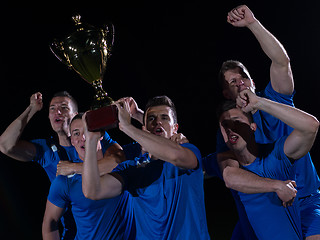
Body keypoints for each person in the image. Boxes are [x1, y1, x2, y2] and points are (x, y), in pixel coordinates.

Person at [203, 5, 320, 239]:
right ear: (227, 95)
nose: (240, 84)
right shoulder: (230, 128)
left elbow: (281, 62)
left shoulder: (275, 99)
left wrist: (252, 23)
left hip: (306, 199)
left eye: (243, 77)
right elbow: (228, 173)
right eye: (232, 82)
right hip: (267, 203)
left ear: (253, 81)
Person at [82, 95, 211, 240]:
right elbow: (93, 191)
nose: (157, 122)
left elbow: (175, 156)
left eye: (164, 118)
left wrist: (127, 127)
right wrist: (91, 141)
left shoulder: (189, 151)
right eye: (151, 119)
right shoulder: (132, 168)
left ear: (175, 128)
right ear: (144, 128)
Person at [0, 91, 124, 239]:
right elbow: (5, 145)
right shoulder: (47, 150)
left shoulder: (95, 136)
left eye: (64, 107)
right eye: (52, 108)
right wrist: (32, 109)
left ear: (76, 114)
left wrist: (74, 168)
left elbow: (119, 160)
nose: (57, 112)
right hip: (76, 233)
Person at [218, 90, 319, 239]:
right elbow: (229, 177)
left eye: (237, 122)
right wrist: (277, 186)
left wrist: (259, 102)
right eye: (225, 124)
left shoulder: (275, 155)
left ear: (253, 127)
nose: (231, 128)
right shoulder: (222, 160)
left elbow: (311, 126)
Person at [42, 113, 135, 239]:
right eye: (76, 133)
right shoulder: (65, 181)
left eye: (87, 131)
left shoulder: (123, 163)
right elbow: (50, 223)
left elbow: (118, 160)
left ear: (100, 135)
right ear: (72, 141)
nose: (83, 137)